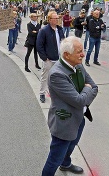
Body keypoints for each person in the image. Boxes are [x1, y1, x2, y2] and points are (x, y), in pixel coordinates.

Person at [42, 36, 98, 176]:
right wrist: (86, 90)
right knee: (54, 159)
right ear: (66, 55)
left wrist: (84, 96)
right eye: (79, 51)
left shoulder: (77, 65)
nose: (83, 54)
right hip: (64, 123)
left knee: (71, 146)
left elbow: (95, 87)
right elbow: (79, 100)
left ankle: (65, 164)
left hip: (79, 118)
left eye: (82, 50)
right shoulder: (57, 74)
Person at [37, 11, 65, 103]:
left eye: (58, 18)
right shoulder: (44, 30)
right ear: (49, 19)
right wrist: (45, 58)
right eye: (55, 18)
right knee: (45, 77)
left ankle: (55, 93)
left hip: (59, 59)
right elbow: (39, 45)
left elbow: (63, 42)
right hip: (48, 59)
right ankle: (42, 93)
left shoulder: (60, 29)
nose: (57, 20)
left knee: (57, 77)